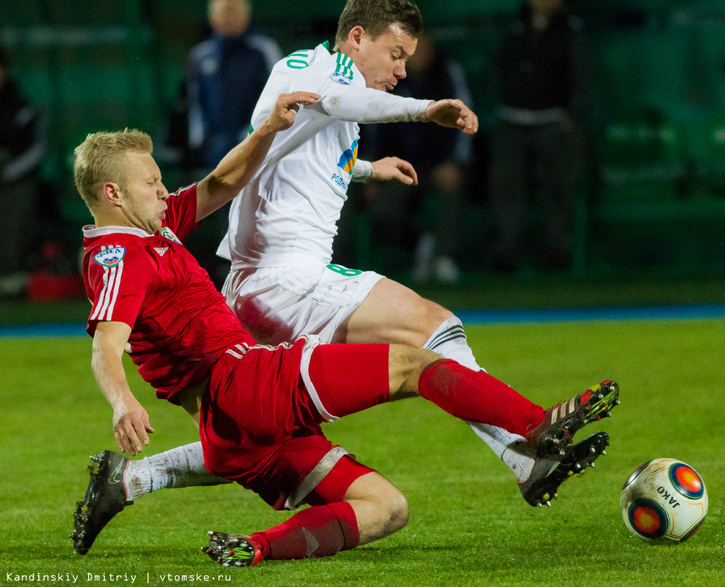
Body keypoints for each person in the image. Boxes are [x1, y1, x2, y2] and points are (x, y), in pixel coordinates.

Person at [72, 0, 617, 555]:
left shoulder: (156, 229)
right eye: (396, 54)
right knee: (430, 335)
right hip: (276, 289)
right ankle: (526, 443)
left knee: (318, 470)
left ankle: (136, 481)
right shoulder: (309, 71)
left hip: (245, 342)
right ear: (356, 38)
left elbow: (236, 175)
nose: (402, 69)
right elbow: (334, 100)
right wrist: (422, 109)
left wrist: (360, 167)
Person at [160, 0, 283, 282]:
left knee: (259, 221)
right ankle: (219, 285)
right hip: (214, 158)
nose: (227, 16)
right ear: (211, 16)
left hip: (259, 156)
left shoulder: (263, 51)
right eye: (222, 10)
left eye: (233, 9)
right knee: (217, 224)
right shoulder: (200, 56)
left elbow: (275, 99)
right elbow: (194, 107)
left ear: (246, 14)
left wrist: (252, 140)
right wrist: (200, 145)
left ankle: (266, 281)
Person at [360, 33, 473, 282]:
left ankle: (444, 258)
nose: (420, 54)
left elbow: (465, 119)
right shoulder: (390, 79)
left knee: (450, 190)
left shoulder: (446, 72)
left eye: (424, 47)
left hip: (439, 164)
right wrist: (370, 170)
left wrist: (455, 162)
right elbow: (373, 127)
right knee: (383, 208)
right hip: (399, 167)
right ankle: (420, 247)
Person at [489, 0, 583, 272]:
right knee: (508, 189)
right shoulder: (512, 26)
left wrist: (571, 116)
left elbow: (581, 75)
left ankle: (559, 252)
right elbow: (497, 66)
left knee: (558, 188)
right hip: (512, 118)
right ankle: (505, 253)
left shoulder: (569, 29)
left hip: (553, 120)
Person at [0, 46, 46, 295]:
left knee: (14, 214)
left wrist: (8, 172)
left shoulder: (19, 105)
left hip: (14, 181)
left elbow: (36, 149)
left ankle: (11, 278)